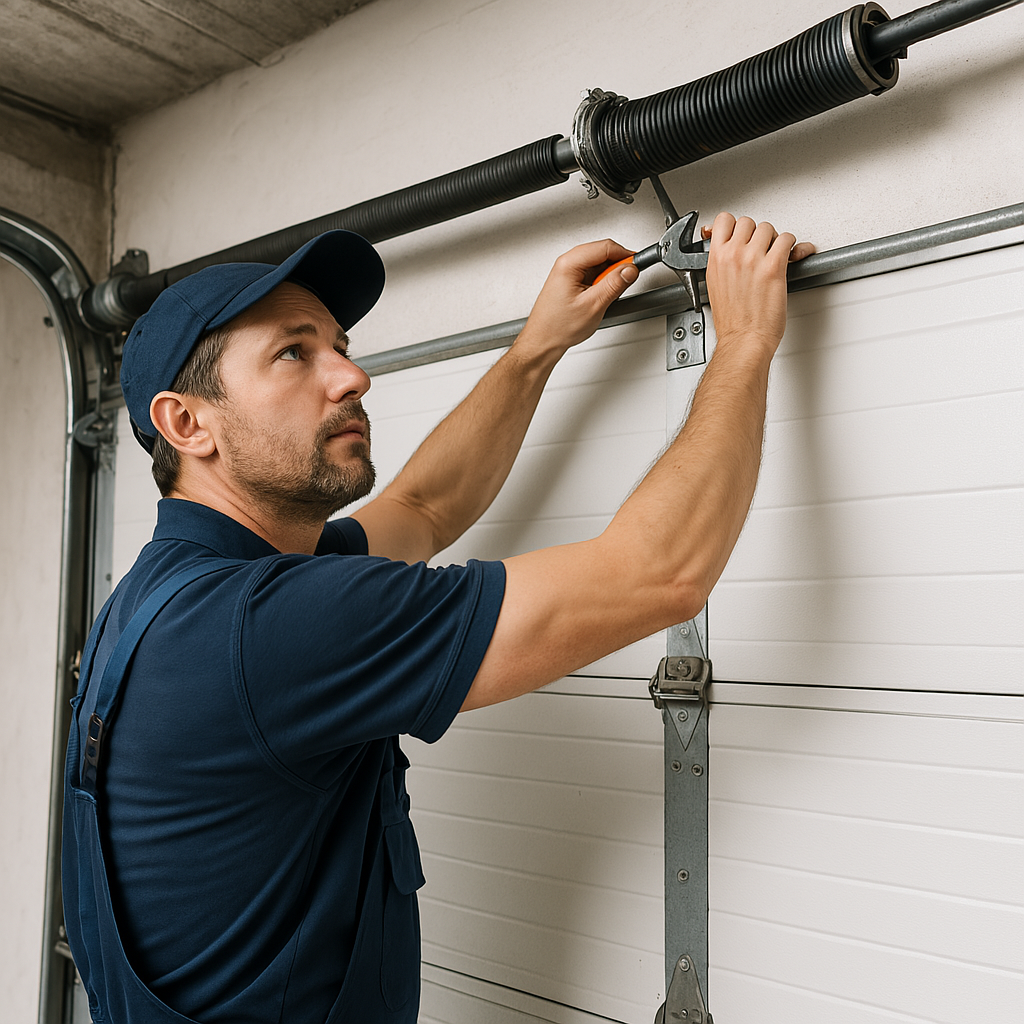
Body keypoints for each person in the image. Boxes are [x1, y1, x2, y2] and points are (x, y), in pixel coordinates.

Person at [63, 214, 812, 1023]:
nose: (351, 376)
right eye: (294, 352)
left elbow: (422, 508)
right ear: (186, 424)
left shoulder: (168, 597)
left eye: (339, 344)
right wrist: (741, 343)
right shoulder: (266, 626)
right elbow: (660, 574)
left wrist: (536, 348)